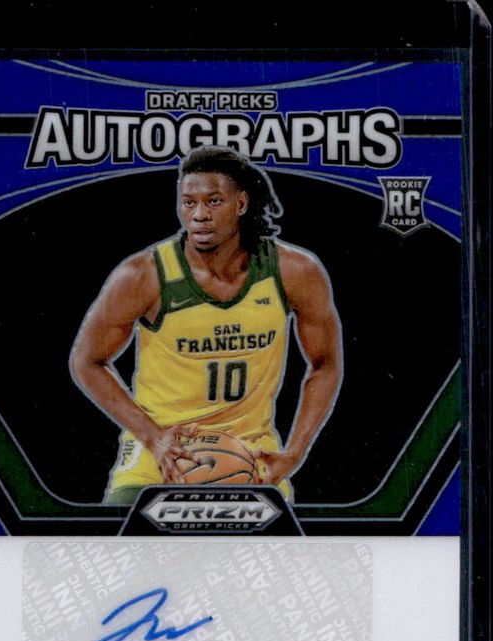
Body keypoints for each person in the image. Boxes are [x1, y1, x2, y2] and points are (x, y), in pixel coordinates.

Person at [69, 145, 342, 504]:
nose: (199, 215)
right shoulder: (143, 275)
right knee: (119, 536)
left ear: (240, 204)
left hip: (249, 457)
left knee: (285, 541)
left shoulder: (294, 271)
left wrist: (294, 452)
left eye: (213, 201)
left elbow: (325, 364)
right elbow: (86, 361)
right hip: (161, 456)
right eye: (188, 203)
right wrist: (152, 436)